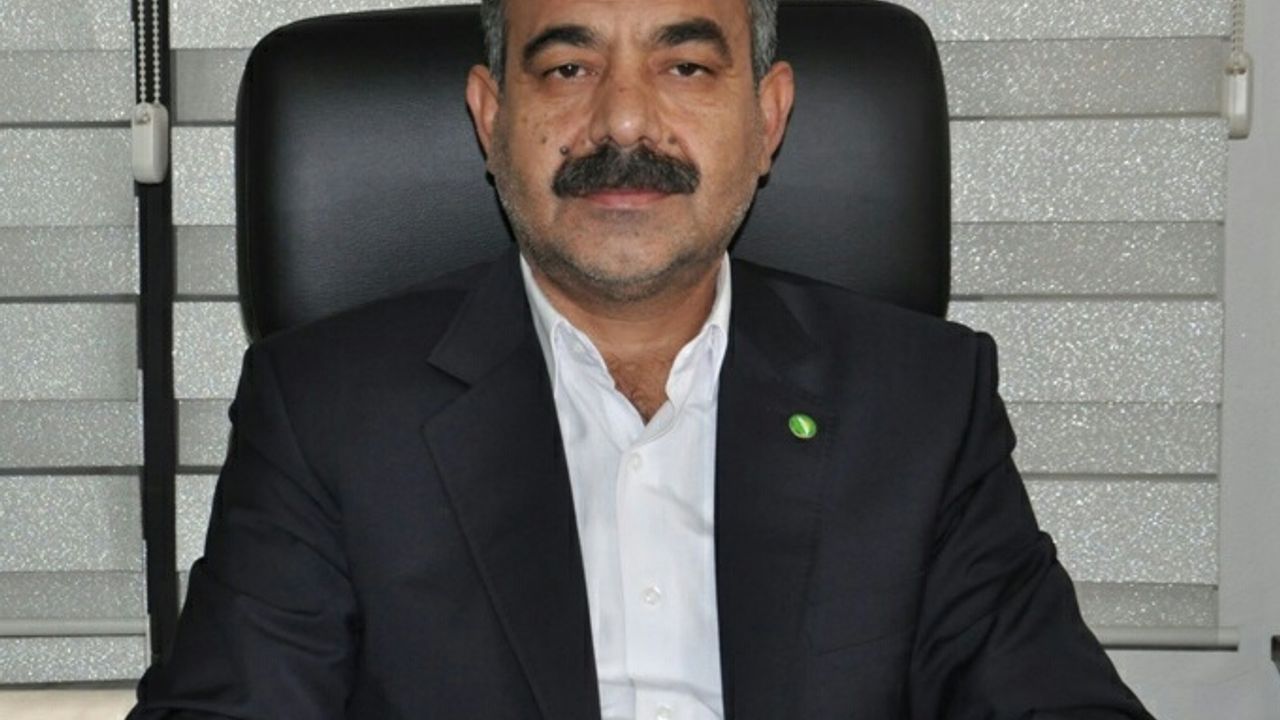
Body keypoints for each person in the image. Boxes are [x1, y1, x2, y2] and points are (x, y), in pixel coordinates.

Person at [130, 0, 1155, 717]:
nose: (623, 120)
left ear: (768, 117)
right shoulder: (330, 411)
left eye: (686, 67)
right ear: (491, 118)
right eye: (566, 68)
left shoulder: (919, 404)